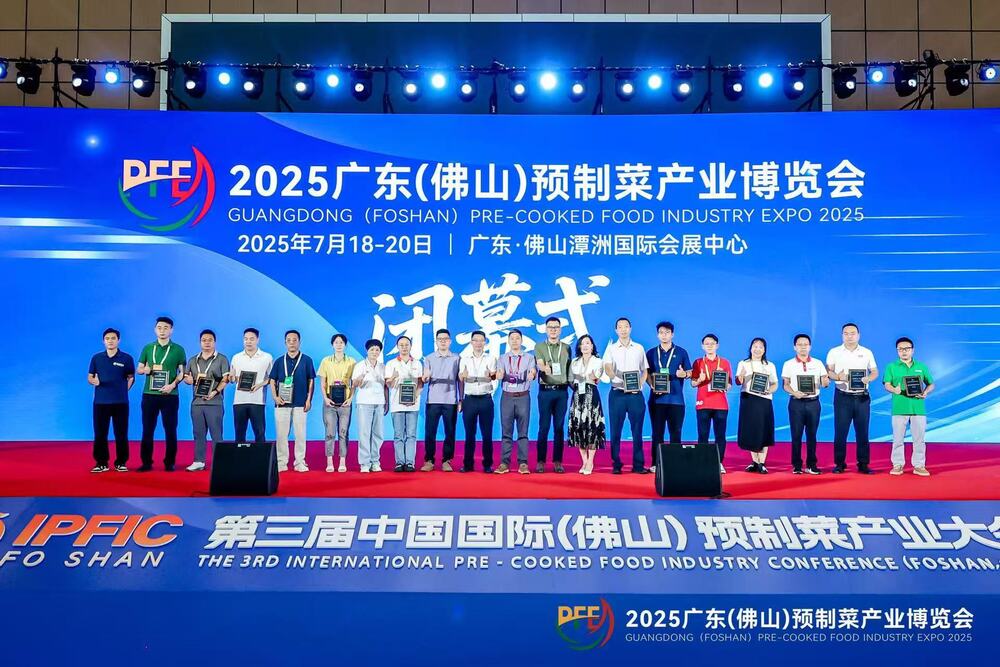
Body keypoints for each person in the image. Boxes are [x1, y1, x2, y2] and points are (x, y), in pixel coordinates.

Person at [826, 323, 879, 474]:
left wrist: (869, 378)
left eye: (853, 333)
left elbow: (874, 371)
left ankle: (863, 464)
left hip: (862, 397)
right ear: (842, 335)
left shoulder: (867, 352)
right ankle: (839, 464)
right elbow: (828, 372)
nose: (849, 336)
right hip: (842, 397)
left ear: (858, 335)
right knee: (840, 432)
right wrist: (838, 376)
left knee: (862, 432)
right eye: (846, 333)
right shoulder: (834, 352)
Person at [135, 316, 186, 472]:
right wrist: (145, 370)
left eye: (165, 328)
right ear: (155, 329)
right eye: (159, 327)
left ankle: (169, 462)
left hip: (170, 395)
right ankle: (146, 463)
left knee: (170, 430)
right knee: (147, 429)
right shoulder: (148, 348)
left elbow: (182, 373)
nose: (162, 330)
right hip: (149, 394)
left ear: (171, 330)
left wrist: (172, 385)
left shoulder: (178, 349)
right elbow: (138, 369)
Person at [602, 317, 650, 474]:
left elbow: (645, 370)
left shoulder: (639, 348)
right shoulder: (611, 348)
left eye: (626, 326)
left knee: (637, 430)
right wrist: (617, 377)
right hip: (617, 394)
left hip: (635, 395)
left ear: (630, 328)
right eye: (620, 327)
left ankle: (638, 465)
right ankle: (616, 464)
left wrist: (640, 385)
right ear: (616, 330)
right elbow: (608, 368)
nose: (623, 329)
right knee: (615, 430)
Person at [883, 337, 935, 477]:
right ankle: (897, 464)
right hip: (899, 407)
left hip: (918, 408)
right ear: (897, 351)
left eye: (906, 349)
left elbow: (931, 384)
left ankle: (919, 465)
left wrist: (926, 392)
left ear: (912, 350)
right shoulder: (891, 367)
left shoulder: (921, 366)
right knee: (898, 439)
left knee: (919, 439)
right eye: (900, 349)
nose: (904, 351)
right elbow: (887, 384)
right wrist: (894, 390)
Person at [645, 321, 691, 472]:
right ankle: (656, 463)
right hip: (656, 401)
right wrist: (652, 385)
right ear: (657, 335)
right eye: (661, 332)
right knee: (657, 433)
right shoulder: (651, 353)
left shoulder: (682, 352)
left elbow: (690, 372)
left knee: (675, 433)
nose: (664, 335)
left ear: (672, 334)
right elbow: (646, 374)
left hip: (676, 400)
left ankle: (674, 463)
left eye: (667, 332)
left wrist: (684, 374)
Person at [781, 333, 830, 475]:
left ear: (810, 347)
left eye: (806, 344)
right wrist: (794, 392)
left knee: (812, 435)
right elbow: (785, 385)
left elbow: (825, 382)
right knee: (796, 435)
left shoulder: (818, 363)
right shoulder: (788, 364)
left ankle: (811, 465)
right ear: (794, 347)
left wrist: (826, 382)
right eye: (800, 344)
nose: (803, 347)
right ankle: (796, 465)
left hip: (813, 403)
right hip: (796, 403)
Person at [87, 327, 135, 472]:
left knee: (121, 433)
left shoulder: (126, 358)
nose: (110, 341)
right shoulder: (96, 358)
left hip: (121, 403)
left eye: (113, 338)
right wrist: (93, 381)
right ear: (103, 341)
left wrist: (122, 391)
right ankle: (101, 463)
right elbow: (90, 377)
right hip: (100, 402)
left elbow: (131, 378)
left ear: (118, 340)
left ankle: (121, 462)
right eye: (107, 338)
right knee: (100, 434)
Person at [268, 329, 315, 472]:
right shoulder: (279, 361)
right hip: (282, 403)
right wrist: (275, 397)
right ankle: (281, 462)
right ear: (285, 343)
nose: (292, 343)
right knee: (281, 435)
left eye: (295, 340)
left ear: (299, 342)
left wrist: (309, 400)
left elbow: (311, 380)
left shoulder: (307, 360)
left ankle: (300, 462)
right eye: (289, 340)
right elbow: (272, 380)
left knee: (300, 434)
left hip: (300, 403)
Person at [183, 329, 230, 471]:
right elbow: (186, 377)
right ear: (200, 342)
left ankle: (219, 462)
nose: (207, 343)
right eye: (204, 340)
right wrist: (187, 380)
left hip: (214, 402)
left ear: (214, 342)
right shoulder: (193, 360)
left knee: (216, 434)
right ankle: (199, 461)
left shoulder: (221, 359)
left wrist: (215, 391)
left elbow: (225, 379)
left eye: (210, 340)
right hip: (197, 403)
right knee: (198, 433)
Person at [495, 329, 536, 474]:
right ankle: (504, 463)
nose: (514, 341)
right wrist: (499, 375)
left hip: (523, 396)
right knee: (506, 432)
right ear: (508, 341)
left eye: (517, 338)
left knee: (523, 432)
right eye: (512, 338)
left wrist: (532, 374)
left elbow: (532, 371)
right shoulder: (502, 358)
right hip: (507, 397)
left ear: (521, 340)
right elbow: (499, 373)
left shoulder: (529, 358)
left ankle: (523, 463)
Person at [735, 337, 779, 474]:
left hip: (764, 399)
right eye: (755, 346)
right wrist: (741, 377)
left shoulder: (769, 365)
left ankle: (762, 462)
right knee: (751, 430)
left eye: (761, 347)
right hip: (748, 399)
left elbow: (775, 383)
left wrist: (769, 390)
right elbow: (738, 382)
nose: (757, 349)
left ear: (764, 350)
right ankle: (754, 461)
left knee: (764, 429)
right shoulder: (743, 363)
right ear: (750, 348)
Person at [690, 333, 732, 474]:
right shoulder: (698, 362)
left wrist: (725, 386)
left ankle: (719, 462)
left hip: (721, 404)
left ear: (717, 345)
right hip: (703, 403)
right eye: (707, 343)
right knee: (703, 434)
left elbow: (730, 384)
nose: (709, 346)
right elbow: (693, 383)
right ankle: (703, 462)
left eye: (712, 343)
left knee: (720, 435)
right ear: (702, 346)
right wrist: (700, 380)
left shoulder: (724, 363)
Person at [421, 328, 462, 472]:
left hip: (450, 400)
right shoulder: (429, 358)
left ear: (450, 341)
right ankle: (429, 460)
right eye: (440, 339)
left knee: (450, 431)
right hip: (433, 400)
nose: (443, 341)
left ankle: (447, 460)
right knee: (430, 432)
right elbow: (425, 378)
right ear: (436, 341)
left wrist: (461, 399)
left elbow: (460, 380)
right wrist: (425, 378)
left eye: (446, 339)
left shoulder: (457, 358)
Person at [535, 316, 571, 473]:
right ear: (546, 329)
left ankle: (558, 461)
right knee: (543, 427)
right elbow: (539, 363)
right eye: (550, 327)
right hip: (545, 391)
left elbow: (570, 370)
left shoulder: (567, 348)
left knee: (559, 427)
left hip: (562, 391)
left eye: (556, 327)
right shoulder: (540, 347)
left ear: (560, 330)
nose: (553, 330)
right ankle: (541, 461)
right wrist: (544, 368)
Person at [567, 334, 606, 475]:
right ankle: (584, 461)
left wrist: (594, 377)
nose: (585, 346)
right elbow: (571, 380)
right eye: (582, 343)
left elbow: (598, 377)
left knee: (592, 427)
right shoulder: (574, 362)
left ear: (592, 346)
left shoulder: (598, 361)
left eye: (588, 343)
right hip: (578, 395)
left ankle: (590, 461)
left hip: (591, 394)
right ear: (579, 346)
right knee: (579, 427)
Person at [318, 333, 356, 472]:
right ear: (332, 345)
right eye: (336, 342)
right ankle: (329, 461)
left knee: (343, 432)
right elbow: (323, 383)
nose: (339, 345)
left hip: (345, 403)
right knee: (329, 432)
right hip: (330, 402)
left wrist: (350, 399)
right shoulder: (326, 361)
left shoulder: (352, 362)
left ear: (345, 345)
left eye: (341, 342)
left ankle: (342, 461)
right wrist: (325, 398)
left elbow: (354, 383)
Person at [385, 335, 422, 472]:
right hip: (397, 404)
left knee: (411, 434)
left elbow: (420, 384)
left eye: (407, 344)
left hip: (413, 404)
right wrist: (393, 377)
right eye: (401, 345)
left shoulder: (417, 363)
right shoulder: (391, 364)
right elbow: (388, 384)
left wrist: (414, 397)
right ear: (397, 347)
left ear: (411, 346)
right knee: (398, 435)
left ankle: (410, 463)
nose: (404, 347)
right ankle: (399, 462)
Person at [229, 328, 272, 444]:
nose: (248, 341)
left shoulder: (267, 357)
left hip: (258, 401)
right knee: (239, 434)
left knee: (259, 433)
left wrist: (260, 385)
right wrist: (232, 378)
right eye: (246, 339)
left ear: (258, 340)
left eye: (252, 339)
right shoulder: (236, 357)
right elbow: (232, 379)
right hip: (239, 401)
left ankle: (261, 456)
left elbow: (272, 378)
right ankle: (240, 455)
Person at [352, 339, 388, 473]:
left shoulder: (383, 367)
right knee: (364, 433)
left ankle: (375, 461)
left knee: (378, 434)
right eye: (372, 349)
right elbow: (354, 384)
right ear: (367, 351)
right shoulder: (359, 365)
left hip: (379, 402)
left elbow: (386, 387)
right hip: (364, 402)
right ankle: (364, 463)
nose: (374, 352)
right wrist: (360, 378)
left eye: (377, 350)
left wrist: (387, 402)